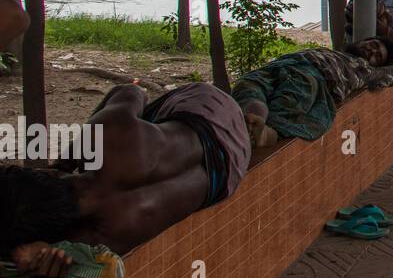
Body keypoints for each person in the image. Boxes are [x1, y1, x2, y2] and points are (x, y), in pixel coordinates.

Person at [0, 80, 252, 258]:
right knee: (144, 136)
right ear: (49, 175)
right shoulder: (108, 133)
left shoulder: (104, 236)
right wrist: (67, 160)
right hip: (216, 111)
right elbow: (132, 90)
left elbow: (37, 257)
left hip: (231, 171)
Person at [232, 36, 393, 148]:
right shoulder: (335, 52)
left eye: (377, 55)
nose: (371, 50)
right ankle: (253, 118)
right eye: (372, 44)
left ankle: (267, 133)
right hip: (281, 65)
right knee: (248, 86)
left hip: (311, 74)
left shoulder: (368, 71)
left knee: (290, 100)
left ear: (378, 65)